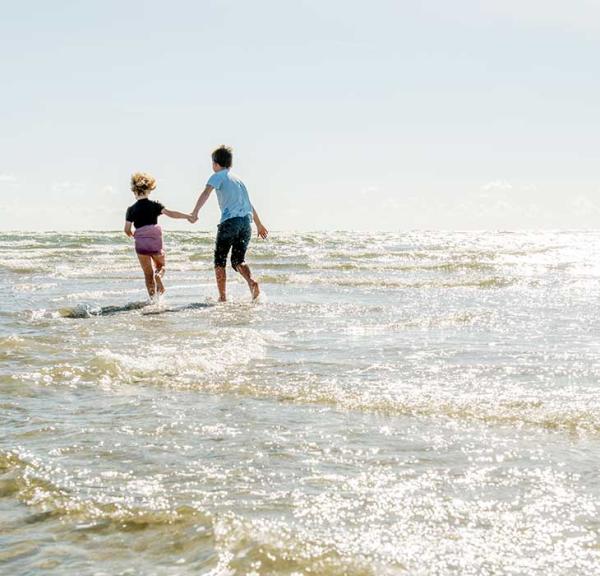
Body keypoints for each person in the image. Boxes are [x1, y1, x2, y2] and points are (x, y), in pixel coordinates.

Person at [190, 145, 268, 302]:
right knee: (238, 260)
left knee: (220, 260)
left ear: (216, 164)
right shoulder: (239, 180)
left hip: (230, 222)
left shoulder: (218, 175)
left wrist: (195, 212)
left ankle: (223, 297)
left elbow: (206, 193)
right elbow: (249, 204)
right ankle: (252, 282)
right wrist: (259, 224)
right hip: (246, 223)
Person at [124, 172, 193, 299]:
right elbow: (171, 213)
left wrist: (134, 235)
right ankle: (159, 276)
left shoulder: (131, 209)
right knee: (161, 266)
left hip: (140, 242)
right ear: (149, 189)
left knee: (147, 274)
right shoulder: (155, 205)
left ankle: (153, 301)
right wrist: (187, 216)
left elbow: (127, 229)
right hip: (154, 238)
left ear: (134, 191)